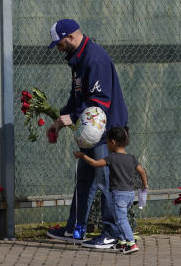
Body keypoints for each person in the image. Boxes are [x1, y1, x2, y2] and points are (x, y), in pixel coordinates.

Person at [44, 19, 128, 249]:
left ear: (70, 37)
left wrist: (71, 118)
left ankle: (111, 233)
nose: (59, 49)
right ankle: (76, 229)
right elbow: (77, 96)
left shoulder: (94, 58)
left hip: (106, 131)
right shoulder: (78, 60)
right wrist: (61, 119)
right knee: (84, 181)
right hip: (89, 130)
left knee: (104, 182)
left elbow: (100, 101)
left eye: (59, 44)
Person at [74, 127, 148, 254]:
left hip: (119, 195)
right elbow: (141, 171)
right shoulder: (131, 158)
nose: (107, 145)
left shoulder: (112, 158)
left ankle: (131, 243)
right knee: (118, 217)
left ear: (113, 142)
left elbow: (95, 163)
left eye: (107, 142)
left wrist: (82, 155)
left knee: (121, 219)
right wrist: (144, 185)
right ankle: (122, 242)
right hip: (130, 194)